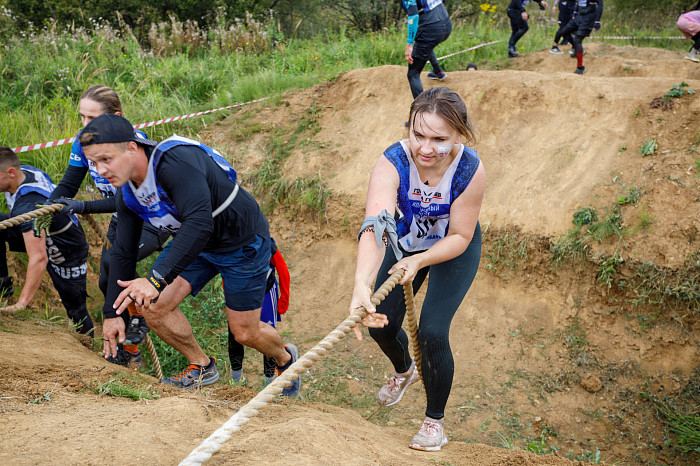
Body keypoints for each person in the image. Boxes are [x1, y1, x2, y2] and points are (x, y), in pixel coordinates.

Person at [79, 113, 301, 395]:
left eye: (106, 159)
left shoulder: (174, 163)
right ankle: (202, 365)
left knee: (244, 332)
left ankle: (285, 358)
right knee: (153, 307)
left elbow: (199, 221)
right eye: (93, 163)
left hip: (240, 242)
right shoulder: (127, 192)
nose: (100, 170)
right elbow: (122, 252)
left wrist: (156, 280)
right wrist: (111, 313)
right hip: (198, 244)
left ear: (132, 148)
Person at [349, 87, 485, 451]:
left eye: (439, 138)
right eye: (418, 134)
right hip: (405, 242)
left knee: (432, 332)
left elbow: (460, 233)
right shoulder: (392, 161)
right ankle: (404, 370)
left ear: (459, 135)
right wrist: (361, 283)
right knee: (381, 325)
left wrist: (421, 260)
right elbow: (375, 224)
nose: (425, 148)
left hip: (452, 248)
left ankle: (434, 422)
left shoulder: (469, 168)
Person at [50, 85, 170, 368]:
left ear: (115, 116)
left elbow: (124, 198)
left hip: (152, 216)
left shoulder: (130, 143)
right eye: (82, 117)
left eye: (92, 119)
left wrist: (83, 206)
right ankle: (130, 346)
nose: (85, 126)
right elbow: (69, 184)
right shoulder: (83, 142)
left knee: (115, 265)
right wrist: (46, 208)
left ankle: (140, 320)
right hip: (123, 218)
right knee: (108, 280)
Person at [0, 146, 93, 339]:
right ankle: (3, 286)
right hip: (39, 229)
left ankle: (90, 344)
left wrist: (22, 304)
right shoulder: (24, 172)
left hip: (66, 247)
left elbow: (39, 258)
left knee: (75, 307)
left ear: (10, 173)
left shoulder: (26, 206)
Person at [228, 238, 290, 386]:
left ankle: (268, 382)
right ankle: (237, 379)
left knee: (267, 335)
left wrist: (284, 300)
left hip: (266, 294)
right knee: (234, 335)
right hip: (240, 293)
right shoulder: (228, 242)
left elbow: (283, 270)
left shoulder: (265, 242)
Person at [401, 0, 452, 99]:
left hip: (432, 29)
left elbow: (413, 17)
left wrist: (409, 44)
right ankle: (438, 72)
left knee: (413, 74)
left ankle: (421, 109)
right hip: (446, 24)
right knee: (425, 45)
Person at [559, 0, 604, 74]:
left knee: (578, 40)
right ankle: (575, 47)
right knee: (564, 32)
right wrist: (575, 12)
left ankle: (580, 67)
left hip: (588, 19)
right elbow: (578, 2)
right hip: (578, 17)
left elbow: (600, 5)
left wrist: (597, 21)